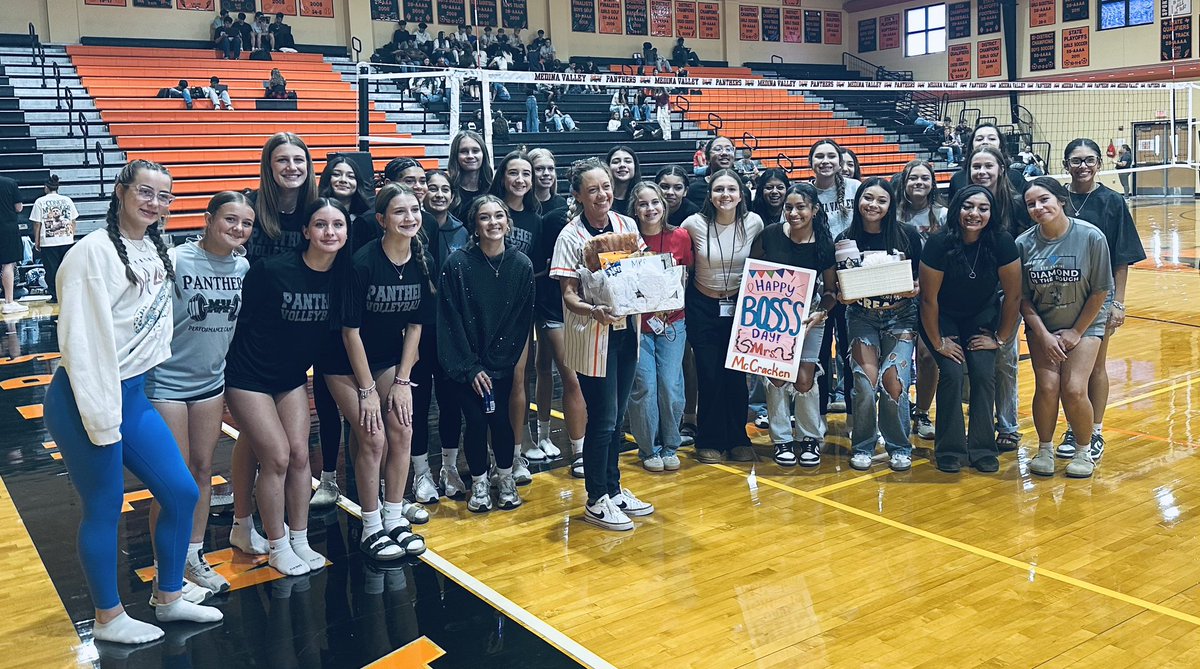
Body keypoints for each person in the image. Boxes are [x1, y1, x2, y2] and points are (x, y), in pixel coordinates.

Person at [44, 159, 222, 644]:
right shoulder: (90, 254)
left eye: (164, 196)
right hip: (87, 395)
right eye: (146, 192)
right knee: (104, 504)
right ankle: (108, 618)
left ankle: (168, 598)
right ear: (121, 190)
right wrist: (102, 420)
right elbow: (82, 348)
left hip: (133, 392)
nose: (155, 203)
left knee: (182, 491)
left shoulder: (150, 246)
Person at [225, 198, 348, 576]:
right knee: (276, 456)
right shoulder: (270, 271)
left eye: (338, 225)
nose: (330, 232)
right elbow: (237, 324)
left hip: (291, 378)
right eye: (321, 225)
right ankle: (276, 544)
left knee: (299, 456)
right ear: (306, 232)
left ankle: (299, 539)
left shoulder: (342, 278)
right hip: (248, 376)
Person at [143, 192, 252, 595]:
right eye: (230, 220)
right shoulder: (176, 260)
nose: (238, 229)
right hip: (166, 382)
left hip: (210, 382)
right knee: (174, 478)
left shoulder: (243, 266)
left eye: (246, 223)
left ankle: (192, 555)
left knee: (203, 470)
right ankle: (164, 568)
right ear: (208, 219)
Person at [323, 184, 430, 558]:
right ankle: (370, 525)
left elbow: (416, 326)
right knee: (373, 436)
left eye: (414, 210)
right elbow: (349, 332)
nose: (409, 218)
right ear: (382, 220)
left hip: (386, 358)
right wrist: (368, 391)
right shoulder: (362, 262)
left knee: (403, 428)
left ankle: (394, 516)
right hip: (343, 359)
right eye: (399, 212)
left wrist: (402, 381)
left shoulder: (420, 260)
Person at [551, 159, 655, 529]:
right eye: (592, 189)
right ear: (578, 195)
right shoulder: (570, 236)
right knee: (604, 418)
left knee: (617, 416)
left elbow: (641, 271)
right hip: (592, 335)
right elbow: (568, 294)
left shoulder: (627, 225)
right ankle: (596, 498)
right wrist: (593, 310)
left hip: (627, 331)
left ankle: (614, 489)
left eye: (606, 187)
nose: (602, 195)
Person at [439, 196, 535, 512]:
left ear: (508, 223)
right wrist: (471, 368)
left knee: (502, 423)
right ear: (475, 225)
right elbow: (449, 319)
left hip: (502, 365)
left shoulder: (521, 265)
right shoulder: (457, 265)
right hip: (466, 365)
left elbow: (521, 321)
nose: (492, 223)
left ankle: (505, 479)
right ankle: (479, 483)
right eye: (484, 217)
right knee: (477, 422)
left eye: (498, 216)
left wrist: (496, 365)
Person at [1054, 139, 1146, 463]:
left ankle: (1093, 430)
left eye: (1089, 160)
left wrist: (1118, 303)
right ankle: (1073, 427)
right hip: (1059, 296)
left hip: (1097, 297)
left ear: (1099, 164)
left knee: (1095, 366)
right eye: (1076, 161)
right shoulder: (1056, 199)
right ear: (1066, 165)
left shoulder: (1112, 202)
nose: (1083, 166)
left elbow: (1122, 257)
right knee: (1066, 372)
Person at [918, 185, 1021, 473]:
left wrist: (1000, 339)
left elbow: (1013, 296)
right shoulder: (939, 243)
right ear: (956, 209)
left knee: (983, 371)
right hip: (943, 315)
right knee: (950, 372)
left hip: (981, 315)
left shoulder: (1002, 242)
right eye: (967, 207)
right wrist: (938, 343)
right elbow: (928, 299)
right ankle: (949, 449)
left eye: (983, 208)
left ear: (992, 212)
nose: (974, 213)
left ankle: (982, 447)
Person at [1019, 177, 1113, 478]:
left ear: (1061, 200)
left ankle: (1085, 451)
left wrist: (1075, 332)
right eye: (1031, 203)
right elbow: (1020, 297)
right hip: (1042, 327)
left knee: (1074, 388)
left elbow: (1100, 291)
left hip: (1085, 324)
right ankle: (1044, 450)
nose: (1038, 207)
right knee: (1047, 387)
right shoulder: (1023, 244)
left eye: (1044, 199)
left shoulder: (1091, 237)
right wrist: (1044, 335)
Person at [836, 177, 922, 472]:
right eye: (868, 198)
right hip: (862, 317)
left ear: (890, 205)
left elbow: (918, 282)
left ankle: (899, 446)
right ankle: (863, 445)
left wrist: (912, 288)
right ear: (858, 200)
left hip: (901, 317)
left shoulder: (907, 235)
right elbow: (839, 288)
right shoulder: (845, 240)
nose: (873, 205)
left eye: (881, 200)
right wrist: (843, 295)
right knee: (863, 382)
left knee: (894, 382)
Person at [682, 168, 765, 464]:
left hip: (740, 307)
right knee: (708, 373)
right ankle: (709, 439)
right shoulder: (694, 223)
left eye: (731, 189)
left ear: (741, 194)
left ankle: (738, 437)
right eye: (719, 190)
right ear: (710, 194)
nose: (725, 195)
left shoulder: (754, 222)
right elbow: (682, 261)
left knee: (736, 373)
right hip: (702, 306)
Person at [751, 183, 837, 467]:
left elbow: (831, 292)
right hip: (772, 318)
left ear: (815, 209)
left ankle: (809, 437)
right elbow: (753, 279)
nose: (793, 212)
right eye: (789, 207)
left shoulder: (824, 242)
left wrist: (821, 314)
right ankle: (781, 439)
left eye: (801, 207)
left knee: (804, 378)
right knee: (776, 376)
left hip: (810, 318)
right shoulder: (769, 236)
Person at [310, 155, 376, 506]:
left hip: (360, 318)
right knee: (325, 401)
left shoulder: (367, 220)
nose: (344, 179)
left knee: (364, 412)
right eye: (337, 173)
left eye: (351, 175)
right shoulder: (317, 213)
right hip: (325, 317)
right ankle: (329, 478)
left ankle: (364, 478)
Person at [966, 144, 1030, 453]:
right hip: (974, 293)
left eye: (988, 166)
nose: (982, 172)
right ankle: (977, 422)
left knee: (1005, 358)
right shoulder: (965, 202)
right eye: (976, 166)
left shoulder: (1016, 204)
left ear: (1001, 169)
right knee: (975, 360)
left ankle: (1007, 425)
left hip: (1008, 292)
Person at [625, 182, 692, 472]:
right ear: (634, 209)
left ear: (664, 206)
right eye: (643, 204)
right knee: (646, 387)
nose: (650, 208)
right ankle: (648, 448)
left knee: (670, 385)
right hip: (638, 326)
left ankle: (670, 445)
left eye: (655, 202)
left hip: (673, 323)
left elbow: (686, 276)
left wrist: (674, 308)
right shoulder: (627, 241)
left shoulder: (680, 237)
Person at [490, 150, 542, 479]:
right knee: (487, 387)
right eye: (513, 172)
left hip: (519, 313)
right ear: (503, 177)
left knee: (517, 382)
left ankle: (515, 454)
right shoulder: (489, 209)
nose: (520, 179)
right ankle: (485, 454)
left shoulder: (535, 218)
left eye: (526, 173)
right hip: (485, 312)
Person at [893, 159, 946, 441]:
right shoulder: (894, 214)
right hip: (899, 295)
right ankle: (894, 411)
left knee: (927, 356)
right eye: (914, 178)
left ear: (932, 183)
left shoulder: (944, 215)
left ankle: (923, 412)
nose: (919, 183)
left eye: (925, 179)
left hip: (932, 296)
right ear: (904, 182)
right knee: (895, 359)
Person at [810, 139, 860, 415]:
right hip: (819, 287)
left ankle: (856, 416)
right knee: (818, 352)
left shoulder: (856, 189)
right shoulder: (806, 193)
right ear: (812, 162)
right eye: (820, 156)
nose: (826, 161)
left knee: (852, 353)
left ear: (840, 162)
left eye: (832, 156)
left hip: (854, 285)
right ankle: (818, 415)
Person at [29, 174, 78, 305]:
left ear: (46, 187)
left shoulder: (40, 201)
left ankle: (55, 295)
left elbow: (37, 224)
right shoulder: (67, 200)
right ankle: (68, 293)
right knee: (67, 269)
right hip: (67, 240)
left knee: (51, 270)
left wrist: (37, 241)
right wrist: (71, 235)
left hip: (49, 241)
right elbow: (73, 221)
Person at [947, 122, 1028, 198]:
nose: (985, 142)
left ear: (1000, 146)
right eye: (979, 139)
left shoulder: (1015, 178)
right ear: (971, 147)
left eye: (992, 139)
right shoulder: (957, 179)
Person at [448, 130, 494, 221]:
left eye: (475, 151)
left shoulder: (493, 189)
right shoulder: (448, 191)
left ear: (483, 154)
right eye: (464, 151)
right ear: (455, 156)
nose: (470, 156)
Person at [686, 136, 740, 205]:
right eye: (718, 149)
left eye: (728, 149)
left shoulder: (743, 190)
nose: (724, 153)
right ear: (707, 158)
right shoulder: (693, 190)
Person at [0, 175, 23, 314]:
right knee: (8, 264)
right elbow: (19, 208)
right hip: (7, 227)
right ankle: (9, 301)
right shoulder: (10, 183)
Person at [606, 146, 640, 215]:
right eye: (616, 162)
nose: (622, 165)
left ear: (635, 167)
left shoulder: (642, 196)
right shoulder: (602, 198)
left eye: (628, 161)